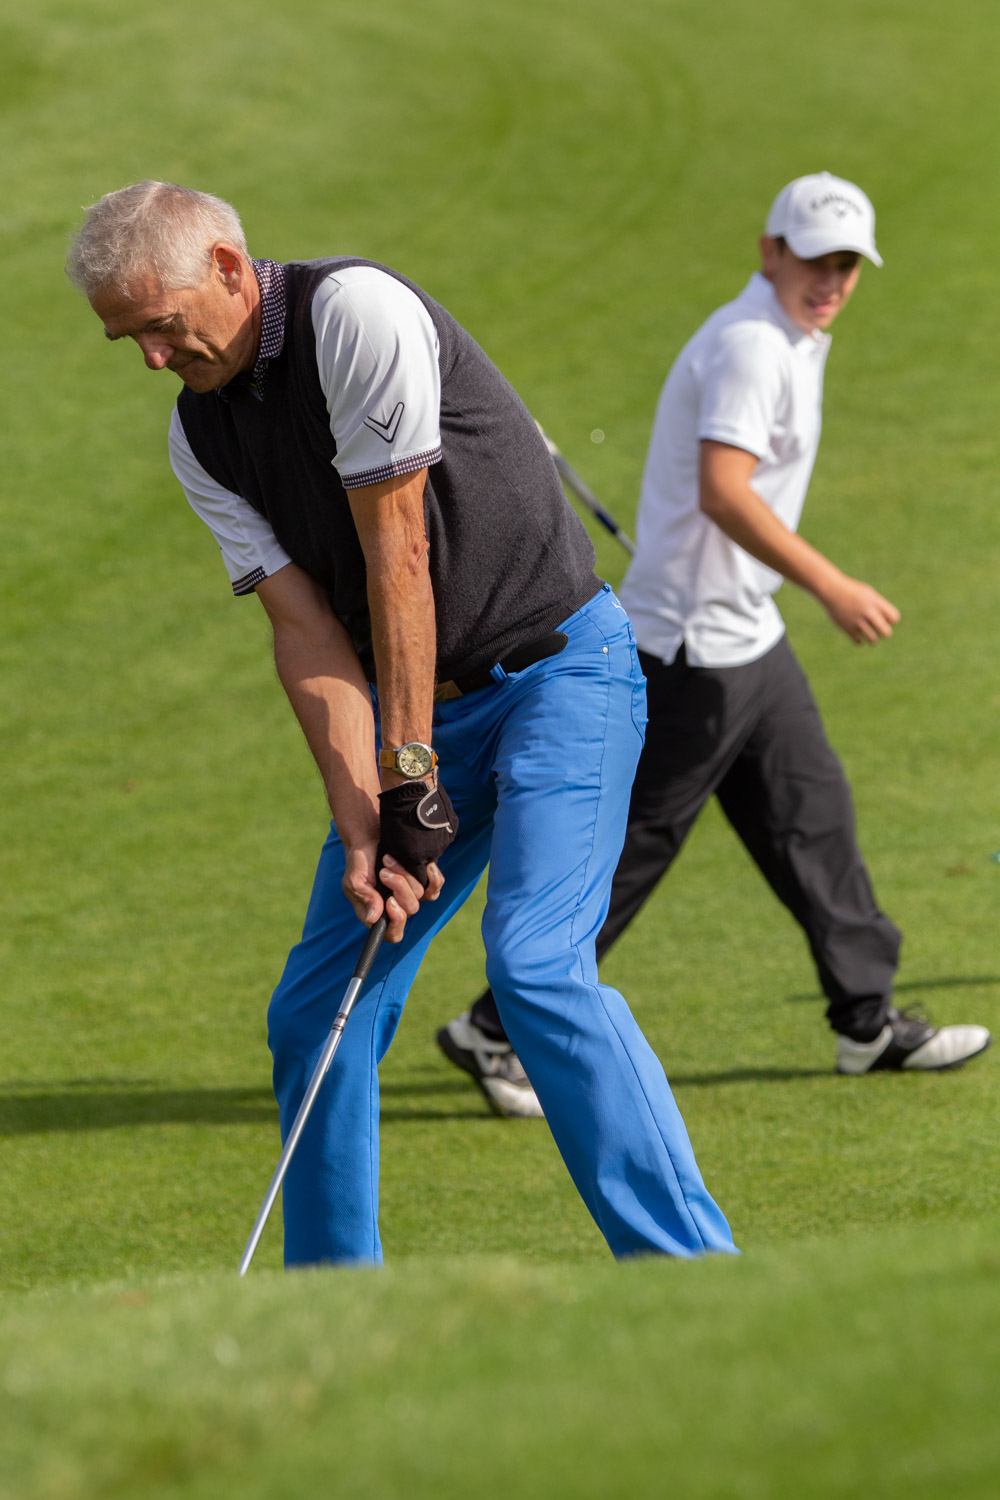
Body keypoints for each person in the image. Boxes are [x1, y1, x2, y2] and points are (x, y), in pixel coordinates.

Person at [65, 180, 736, 1267]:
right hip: (419, 717)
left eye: (161, 324)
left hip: (561, 675)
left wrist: (409, 769)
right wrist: (365, 820)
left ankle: (690, 1271)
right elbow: (307, 636)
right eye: (125, 339)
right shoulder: (201, 437)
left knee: (535, 965)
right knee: (314, 1012)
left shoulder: (354, 314)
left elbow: (400, 554)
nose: (150, 357)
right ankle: (338, 1298)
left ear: (228, 268)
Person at [439, 171, 991, 1118]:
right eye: (815, 261)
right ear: (771, 251)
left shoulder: (789, 335)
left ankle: (866, 1022)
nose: (831, 280)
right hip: (693, 645)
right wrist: (833, 585)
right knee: (633, 847)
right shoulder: (750, 347)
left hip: (745, 634)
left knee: (813, 815)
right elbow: (724, 491)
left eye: (847, 264)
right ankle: (496, 1027)